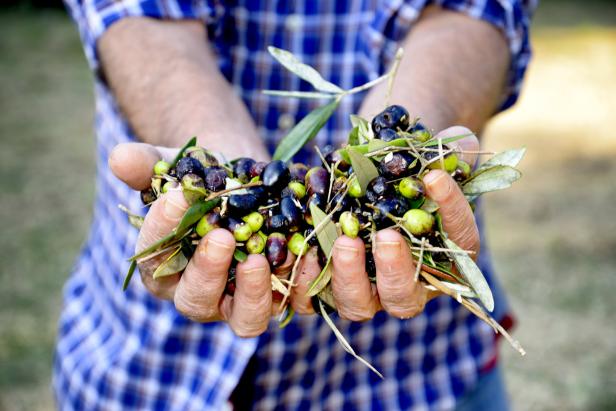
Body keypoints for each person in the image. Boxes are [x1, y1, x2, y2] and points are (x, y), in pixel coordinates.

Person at [55, 0, 534, 409]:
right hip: (150, 370)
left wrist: (405, 154)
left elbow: (473, 12)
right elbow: (139, 16)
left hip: (415, 376)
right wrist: (213, 169)